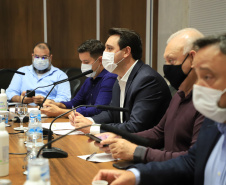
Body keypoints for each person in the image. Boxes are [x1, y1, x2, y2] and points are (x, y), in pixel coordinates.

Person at [93, 33, 226, 185]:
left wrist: (137, 151)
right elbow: (191, 161)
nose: (199, 85)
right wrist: (135, 175)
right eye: (199, 75)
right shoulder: (214, 121)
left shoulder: (209, 112)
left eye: (208, 77)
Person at [91, 28, 205, 163]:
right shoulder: (179, 95)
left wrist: (136, 152)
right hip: (165, 168)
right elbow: (158, 132)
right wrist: (120, 137)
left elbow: (193, 161)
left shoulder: (206, 104)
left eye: (172, 61)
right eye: (166, 61)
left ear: (193, 58)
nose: (167, 68)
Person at [69, 28, 171, 134]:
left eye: (109, 49)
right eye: (105, 49)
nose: (104, 54)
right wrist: (89, 121)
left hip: (146, 146)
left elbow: (135, 126)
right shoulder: (120, 78)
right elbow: (112, 114)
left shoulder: (147, 80)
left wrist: (92, 128)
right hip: (123, 142)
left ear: (126, 52)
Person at [41, 39, 117, 117]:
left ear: (100, 60)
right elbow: (74, 103)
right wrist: (56, 104)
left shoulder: (109, 78)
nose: (83, 65)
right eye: (81, 61)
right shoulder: (89, 79)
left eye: (86, 62)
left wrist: (60, 112)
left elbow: (97, 110)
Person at [6, 42, 71, 105]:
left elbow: (65, 99)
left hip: (48, 111)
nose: (40, 61)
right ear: (32, 56)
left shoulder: (60, 75)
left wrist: (46, 101)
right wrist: (20, 99)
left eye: (44, 57)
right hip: (24, 111)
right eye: (37, 57)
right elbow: (9, 93)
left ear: (50, 57)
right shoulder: (22, 71)